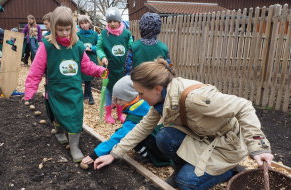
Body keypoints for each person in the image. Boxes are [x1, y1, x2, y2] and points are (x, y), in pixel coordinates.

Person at [93, 58, 274, 190]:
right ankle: (180, 172)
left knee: (188, 183)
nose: (139, 98)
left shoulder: (195, 99)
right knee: (164, 136)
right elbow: (141, 128)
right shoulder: (161, 100)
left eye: (141, 93)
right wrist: (114, 154)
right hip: (204, 136)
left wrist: (259, 146)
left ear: (157, 89)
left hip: (226, 145)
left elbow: (244, 106)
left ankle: (230, 170)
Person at [24, 6, 108, 163]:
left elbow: (86, 65)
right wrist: (30, 90)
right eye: (60, 29)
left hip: (74, 89)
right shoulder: (47, 46)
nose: (64, 33)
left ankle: (74, 146)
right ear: (53, 26)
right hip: (55, 89)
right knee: (56, 113)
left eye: (67, 29)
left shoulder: (78, 46)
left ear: (73, 28)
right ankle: (59, 131)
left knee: (75, 116)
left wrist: (99, 71)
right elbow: (36, 70)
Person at [81, 75, 171, 167]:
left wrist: (95, 155)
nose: (116, 102)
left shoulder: (136, 117)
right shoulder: (143, 105)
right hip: (165, 144)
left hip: (163, 154)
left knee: (127, 134)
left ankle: (149, 156)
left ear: (129, 97)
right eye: (115, 99)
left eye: (119, 99)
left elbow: (118, 137)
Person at [96, 7, 133, 124]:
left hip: (122, 68)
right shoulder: (103, 34)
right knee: (108, 91)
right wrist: (102, 57)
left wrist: (130, 59)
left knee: (121, 92)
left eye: (114, 21)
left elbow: (131, 47)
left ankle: (120, 113)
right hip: (109, 68)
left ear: (119, 21)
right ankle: (108, 115)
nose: (112, 24)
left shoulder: (126, 34)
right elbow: (99, 47)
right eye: (109, 21)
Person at [77, 15, 99, 105]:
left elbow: (99, 46)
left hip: (91, 58)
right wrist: (82, 48)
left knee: (89, 78)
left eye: (86, 23)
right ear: (80, 25)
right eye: (82, 23)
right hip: (82, 58)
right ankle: (86, 95)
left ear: (89, 24)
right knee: (83, 77)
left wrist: (92, 48)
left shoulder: (94, 34)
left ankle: (89, 95)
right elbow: (76, 44)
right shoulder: (78, 35)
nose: (84, 25)